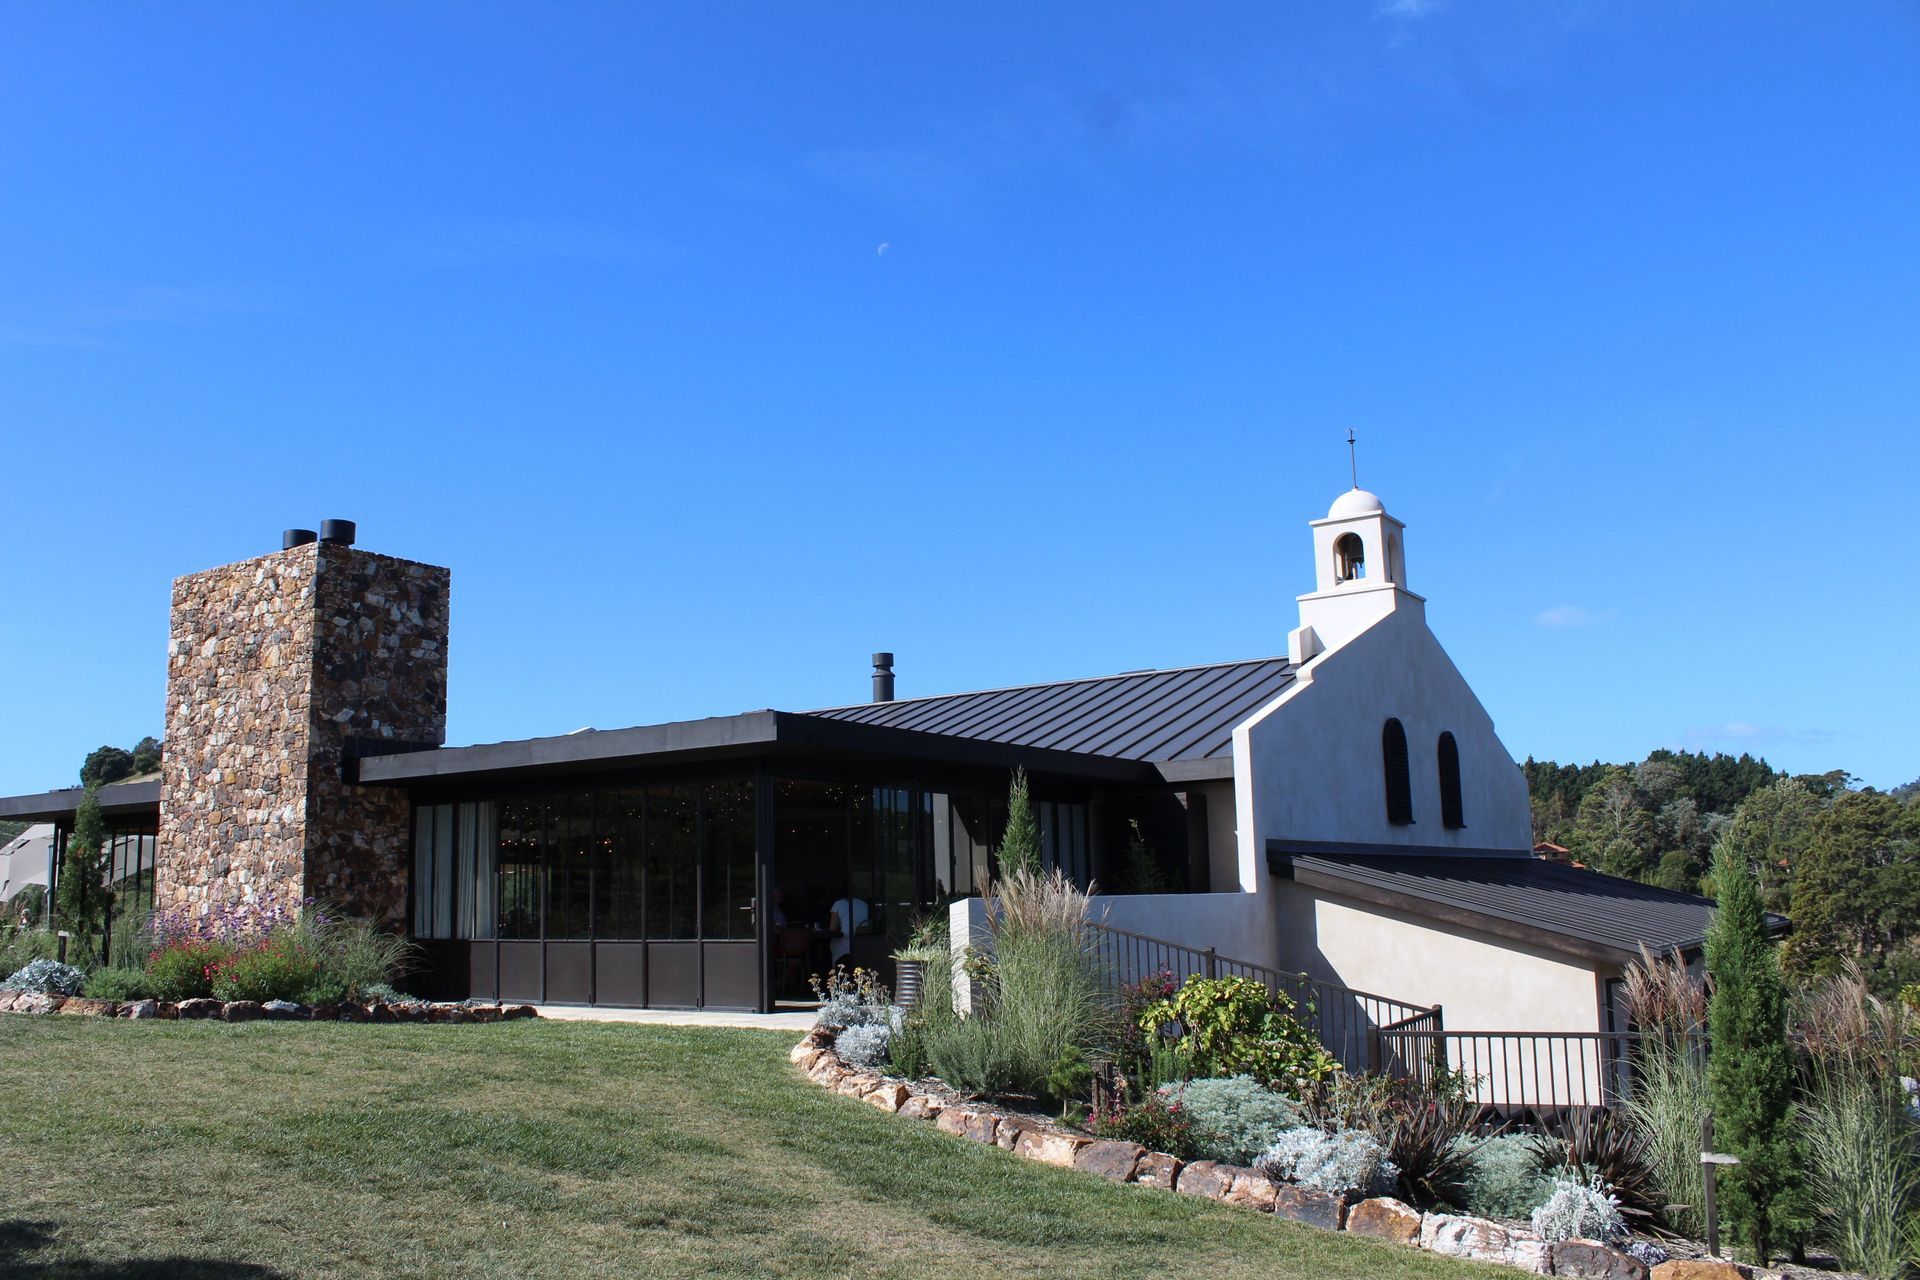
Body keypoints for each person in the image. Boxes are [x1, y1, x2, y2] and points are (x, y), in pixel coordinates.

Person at [825, 883, 869, 965]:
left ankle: (836, 973)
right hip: (864, 943)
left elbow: (832, 928)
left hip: (845, 944)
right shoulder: (864, 905)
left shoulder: (838, 904)